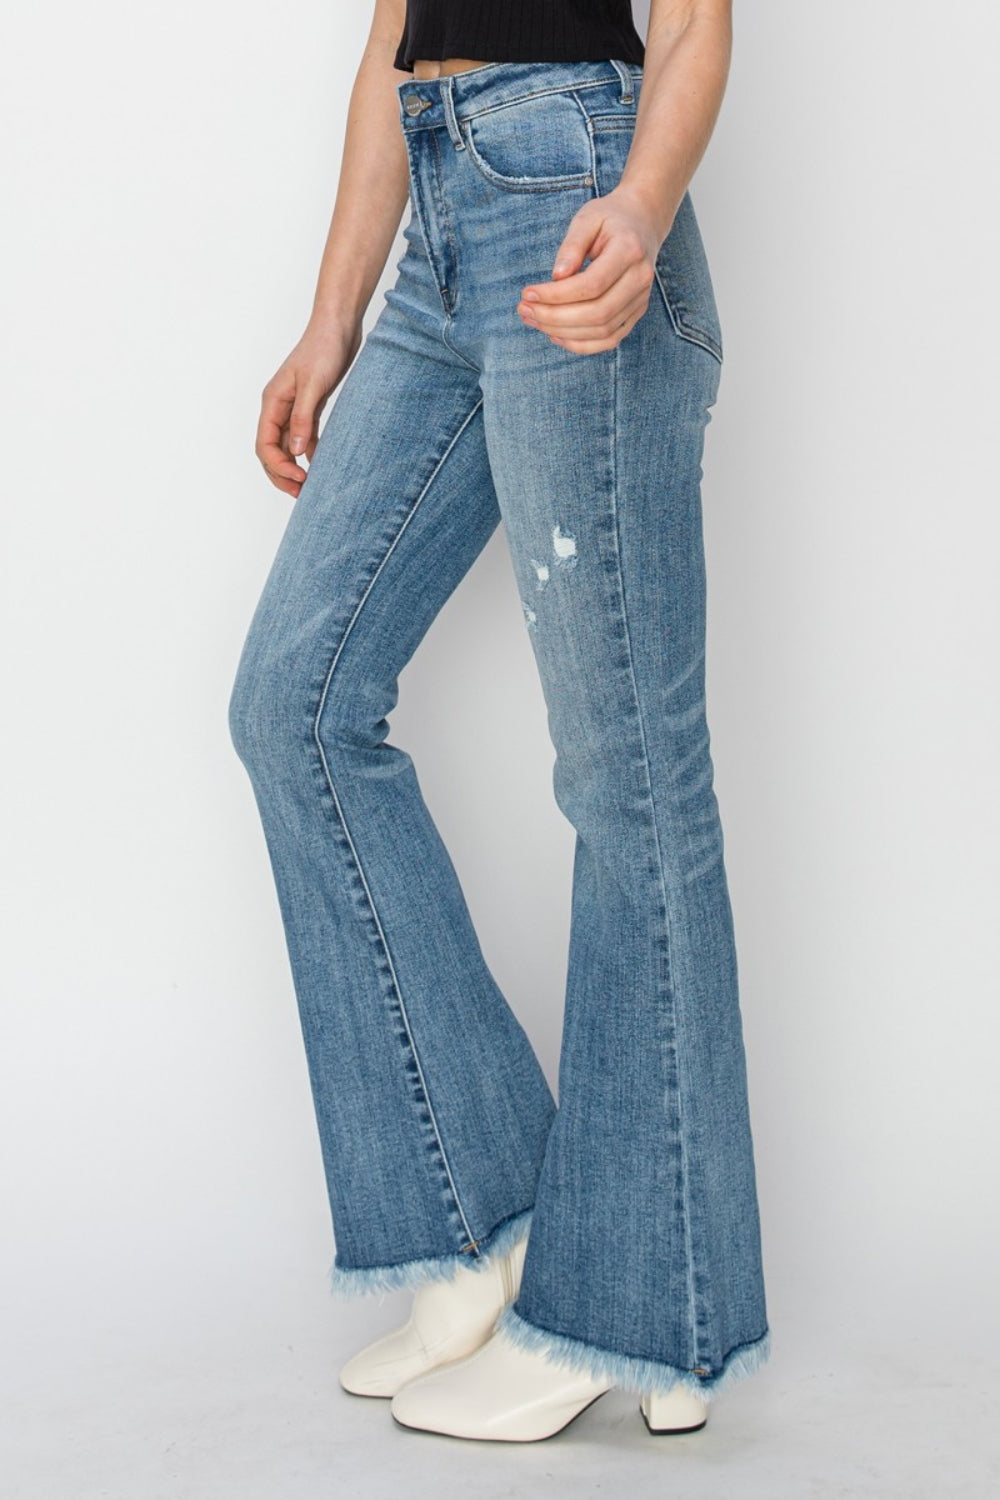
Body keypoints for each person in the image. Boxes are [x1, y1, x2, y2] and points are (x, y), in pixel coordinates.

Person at [228, 0, 770, 1443]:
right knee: (297, 700)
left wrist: (643, 208)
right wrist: (330, 320)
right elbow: (393, 40)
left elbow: (697, 21)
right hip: (442, 221)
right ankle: (483, 1230)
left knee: (628, 779)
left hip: (578, 195)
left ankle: (643, 1307)